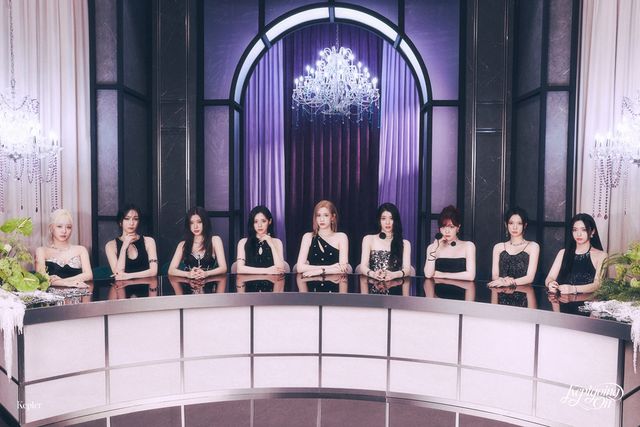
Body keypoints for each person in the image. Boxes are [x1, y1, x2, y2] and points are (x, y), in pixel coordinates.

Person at [546, 213, 607, 294]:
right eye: (575, 230)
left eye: (583, 230)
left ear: (592, 231)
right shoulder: (563, 253)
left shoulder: (601, 255)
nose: (578, 234)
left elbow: (598, 284)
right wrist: (550, 283)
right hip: (562, 299)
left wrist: (573, 289)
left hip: (588, 300)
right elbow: (550, 277)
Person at [35, 209, 93, 287]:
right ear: (51, 228)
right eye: (59, 226)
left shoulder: (81, 250)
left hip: (80, 293)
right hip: (51, 294)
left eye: (68, 227)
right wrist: (67, 283)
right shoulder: (41, 251)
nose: (64, 231)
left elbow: (89, 275)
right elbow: (41, 279)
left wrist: (63, 281)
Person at [168, 206, 227, 279]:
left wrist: (206, 273)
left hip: (210, 282)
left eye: (199, 222)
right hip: (189, 283)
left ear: (205, 222)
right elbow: (171, 270)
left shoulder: (215, 240)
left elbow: (223, 268)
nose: (195, 226)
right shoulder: (183, 244)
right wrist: (188, 274)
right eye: (191, 223)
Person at [295, 200, 350, 277]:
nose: (322, 219)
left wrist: (320, 271)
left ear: (333, 217)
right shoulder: (307, 237)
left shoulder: (341, 237)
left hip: (335, 281)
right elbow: (300, 268)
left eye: (326, 215)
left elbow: (343, 269)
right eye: (318, 215)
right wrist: (331, 268)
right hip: (311, 279)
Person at [488, 207, 539, 287]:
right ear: (506, 225)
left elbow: (530, 278)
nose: (515, 227)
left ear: (525, 225)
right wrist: (503, 282)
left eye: (519, 223)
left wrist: (508, 283)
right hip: (500, 289)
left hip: (524, 291)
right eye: (511, 223)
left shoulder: (533, 246)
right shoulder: (498, 247)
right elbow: (495, 276)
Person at [105, 204, 158, 280]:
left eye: (135, 219)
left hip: (146, 285)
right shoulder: (110, 245)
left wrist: (128, 276)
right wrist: (124, 247)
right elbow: (118, 273)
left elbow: (153, 271)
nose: (131, 223)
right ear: (120, 222)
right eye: (127, 219)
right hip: (122, 286)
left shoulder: (149, 241)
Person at [360, 203, 411, 281]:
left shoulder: (405, 243)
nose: (387, 222)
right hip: (373, 282)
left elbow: (407, 269)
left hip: (395, 283)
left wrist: (394, 275)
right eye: (383, 218)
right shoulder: (368, 239)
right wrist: (373, 274)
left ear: (396, 220)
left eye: (391, 218)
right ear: (379, 221)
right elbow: (363, 266)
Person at [424, 205, 475, 280]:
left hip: (462, 287)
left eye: (451, 227)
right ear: (439, 229)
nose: (447, 231)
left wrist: (442, 275)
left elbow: (470, 276)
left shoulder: (468, 246)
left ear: (458, 228)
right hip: (438, 287)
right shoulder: (431, 247)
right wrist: (434, 248)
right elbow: (428, 274)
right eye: (443, 227)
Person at [236, 205, 286, 274]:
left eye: (263, 221)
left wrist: (271, 244)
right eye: (256, 221)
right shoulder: (243, 242)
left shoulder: (277, 242)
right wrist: (267, 271)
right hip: (249, 280)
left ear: (269, 221)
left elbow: (280, 269)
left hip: (272, 280)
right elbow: (240, 269)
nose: (259, 225)